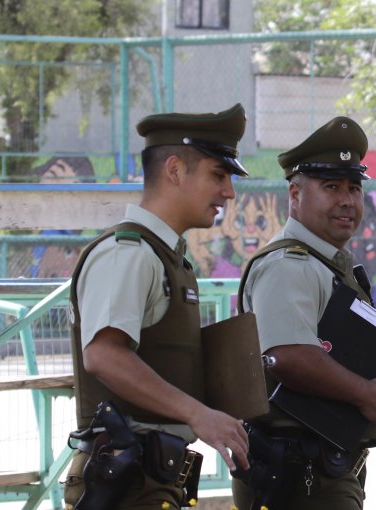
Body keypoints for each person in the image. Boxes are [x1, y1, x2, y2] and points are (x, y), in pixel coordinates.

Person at [63, 103, 251, 510]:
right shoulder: (128, 253)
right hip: (126, 479)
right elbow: (103, 355)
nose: (229, 192)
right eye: (218, 175)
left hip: (150, 478)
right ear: (174, 170)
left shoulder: (166, 257)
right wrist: (197, 414)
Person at [232, 116, 376, 510]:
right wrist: (365, 392)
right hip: (299, 474)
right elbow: (290, 357)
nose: (347, 200)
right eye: (331, 187)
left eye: (354, 188)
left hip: (320, 467)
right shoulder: (288, 265)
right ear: (295, 195)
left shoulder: (324, 263)